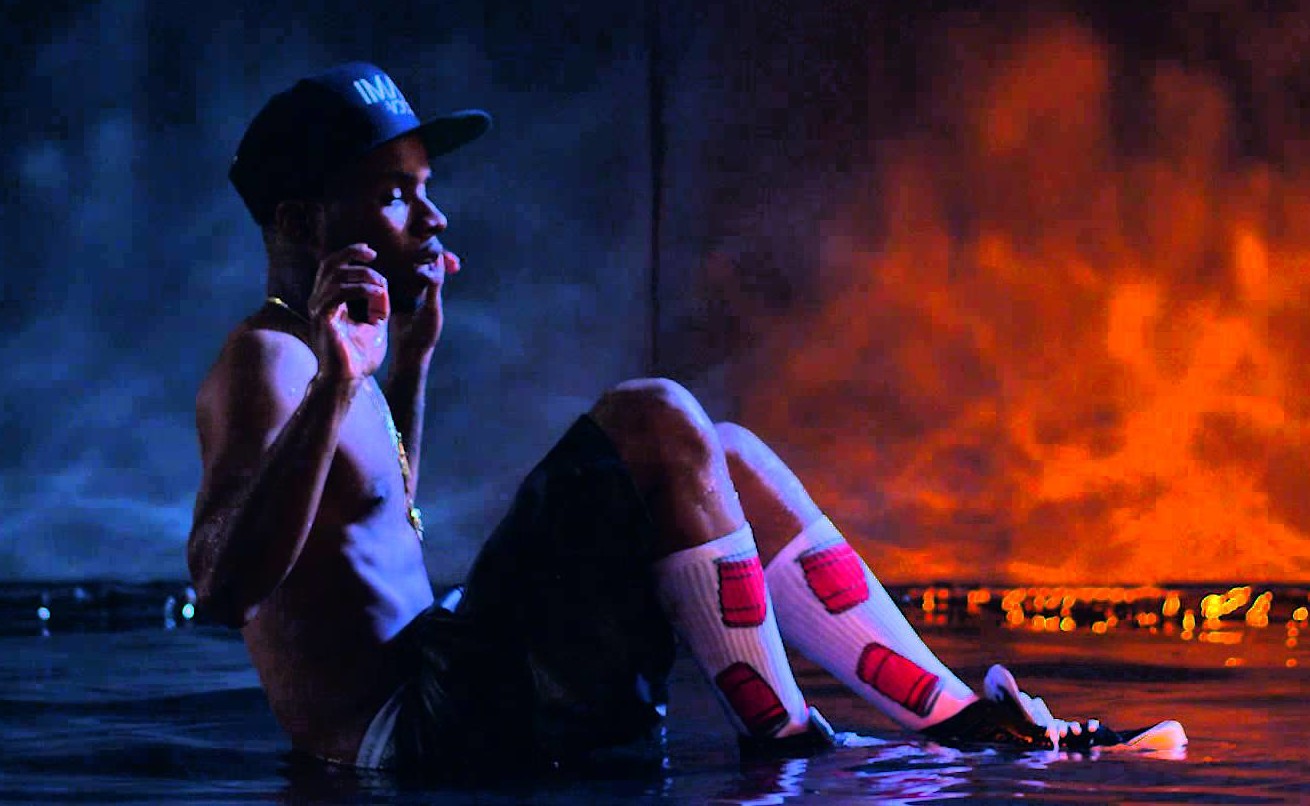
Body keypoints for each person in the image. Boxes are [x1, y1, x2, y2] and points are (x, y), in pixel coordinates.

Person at [187, 62, 1183, 779]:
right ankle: (789, 746)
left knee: (724, 453)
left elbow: (367, 520)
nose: (433, 217)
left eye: (426, 190)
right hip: (411, 736)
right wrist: (340, 384)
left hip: (446, 687)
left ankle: (968, 725)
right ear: (304, 221)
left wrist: (405, 366)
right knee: (655, 418)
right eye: (395, 196)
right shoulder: (268, 359)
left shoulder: (326, 345)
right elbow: (224, 586)